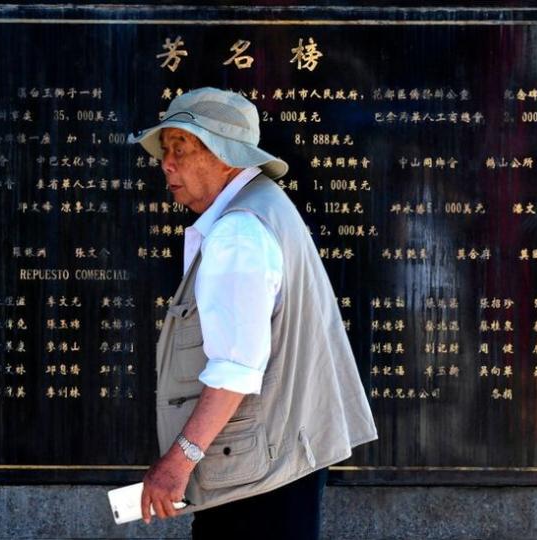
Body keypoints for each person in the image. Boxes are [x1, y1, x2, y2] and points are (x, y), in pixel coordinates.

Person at [128, 87, 377, 539]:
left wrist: (179, 459)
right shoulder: (266, 208)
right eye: (166, 150)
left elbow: (235, 369)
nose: (167, 163)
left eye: (180, 148)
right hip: (272, 467)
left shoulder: (238, 233)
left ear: (226, 157)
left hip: (252, 478)